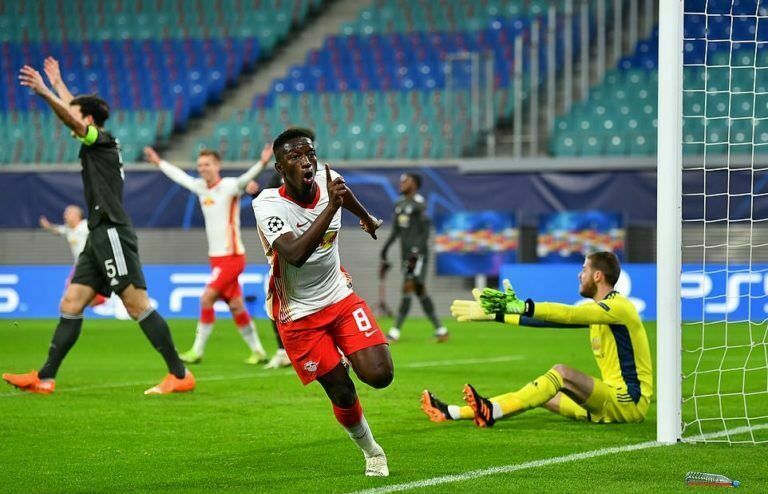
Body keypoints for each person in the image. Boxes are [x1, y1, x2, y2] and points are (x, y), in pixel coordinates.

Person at [3, 57, 193, 395]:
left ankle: (179, 375)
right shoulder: (97, 138)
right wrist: (59, 84)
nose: (71, 119)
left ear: (88, 120)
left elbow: (74, 120)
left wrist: (46, 92)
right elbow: (77, 113)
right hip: (97, 234)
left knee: (136, 304)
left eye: (77, 115)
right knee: (71, 302)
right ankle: (45, 377)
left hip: (112, 229)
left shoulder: (100, 139)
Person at [252, 127, 392, 476]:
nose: (306, 161)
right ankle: (372, 451)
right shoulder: (267, 205)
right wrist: (331, 207)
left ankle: (342, 353)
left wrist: (365, 217)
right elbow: (295, 254)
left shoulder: (329, 181)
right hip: (298, 313)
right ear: (281, 168)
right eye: (295, 157)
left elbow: (343, 192)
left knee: (380, 375)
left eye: (310, 154)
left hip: (339, 297)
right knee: (342, 392)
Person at [422, 251, 652, 427]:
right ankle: (453, 412)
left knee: (561, 373)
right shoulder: (601, 314)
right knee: (541, 393)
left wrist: (524, 306)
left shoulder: (619, 308)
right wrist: (496, 316)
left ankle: (491, 412)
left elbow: (569, 314)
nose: (579, 275)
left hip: (629, 402)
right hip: (604, 403)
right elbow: (548, 321)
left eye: (584, 269)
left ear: (598, 275)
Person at [143, 145, 272, 365]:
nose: (202, 168)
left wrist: (262, 163)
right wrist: (158, 162)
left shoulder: (229, 186)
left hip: (232, 256)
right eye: (200, 165)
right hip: (216, 259)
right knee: (236, 306)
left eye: (207, 164)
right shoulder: (201, 188)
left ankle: (197, 350)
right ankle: (258, 351)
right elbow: (180, 177)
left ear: (217, 166)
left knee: (206, 299)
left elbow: (245, 180)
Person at [380, 173, 448, 342]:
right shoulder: (399, 204)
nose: (402, 183)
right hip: (406, 254)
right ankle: (441, 330)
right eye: (401, 180)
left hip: (417, 254)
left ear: (415, 184)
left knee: (408, 286)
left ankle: (394, 332)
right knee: (419, 290)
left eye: (406, 181)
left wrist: (416, 250)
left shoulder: (420, 204)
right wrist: (385, 249)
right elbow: (396, 230)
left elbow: (425, 231)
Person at [245, 173, 291, 369]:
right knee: (274, 300)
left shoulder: (316, 175)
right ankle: (283, 352)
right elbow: (264, 199)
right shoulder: (279, 175)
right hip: (285, 249)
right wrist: (255, 194)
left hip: (308, 249)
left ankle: (335, 350)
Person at [39, 204, 107, 307]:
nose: (65, 216)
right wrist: (48, 226)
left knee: (72, 290)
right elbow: (58, 230)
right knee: (75, 292)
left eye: (68, 213)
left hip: (92, 264)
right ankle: (94, 300)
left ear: (77, 215)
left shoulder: (86, 226)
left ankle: (99, 299)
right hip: (79, 265)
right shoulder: (69, 230)